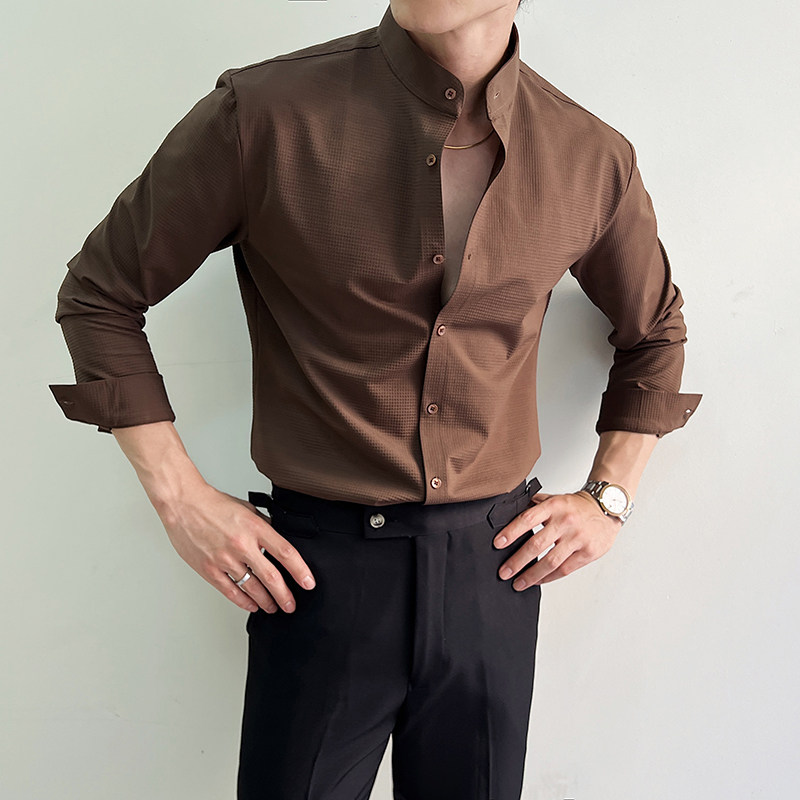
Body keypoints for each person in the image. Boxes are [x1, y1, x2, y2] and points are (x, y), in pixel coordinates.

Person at [48, 1, 703, 798]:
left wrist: (609, 497)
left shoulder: (589, 155)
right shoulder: (263, 115)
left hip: (497, 570)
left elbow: (655, 332)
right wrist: (179, 498)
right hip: (317, 574)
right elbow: (100, 295)